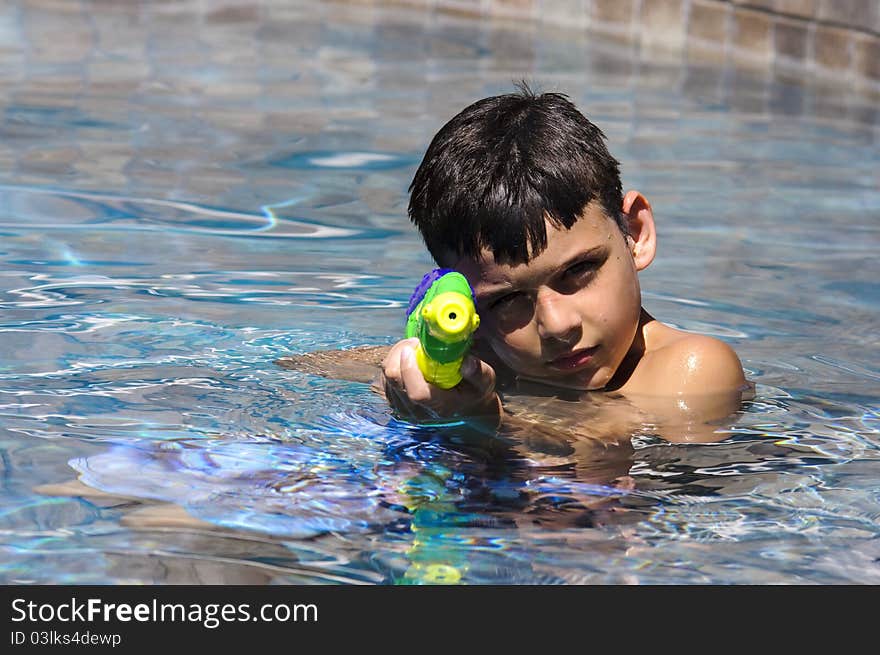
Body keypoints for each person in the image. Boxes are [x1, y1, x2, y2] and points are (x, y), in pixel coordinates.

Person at [378, 83, 751, 443]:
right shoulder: (483, 356)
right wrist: (403, 376)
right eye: (507, 301)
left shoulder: (692, 369)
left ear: (635, 234)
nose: (557, 325)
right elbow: (338, 369)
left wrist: (481, 421)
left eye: (578, 271)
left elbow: (598, 460)